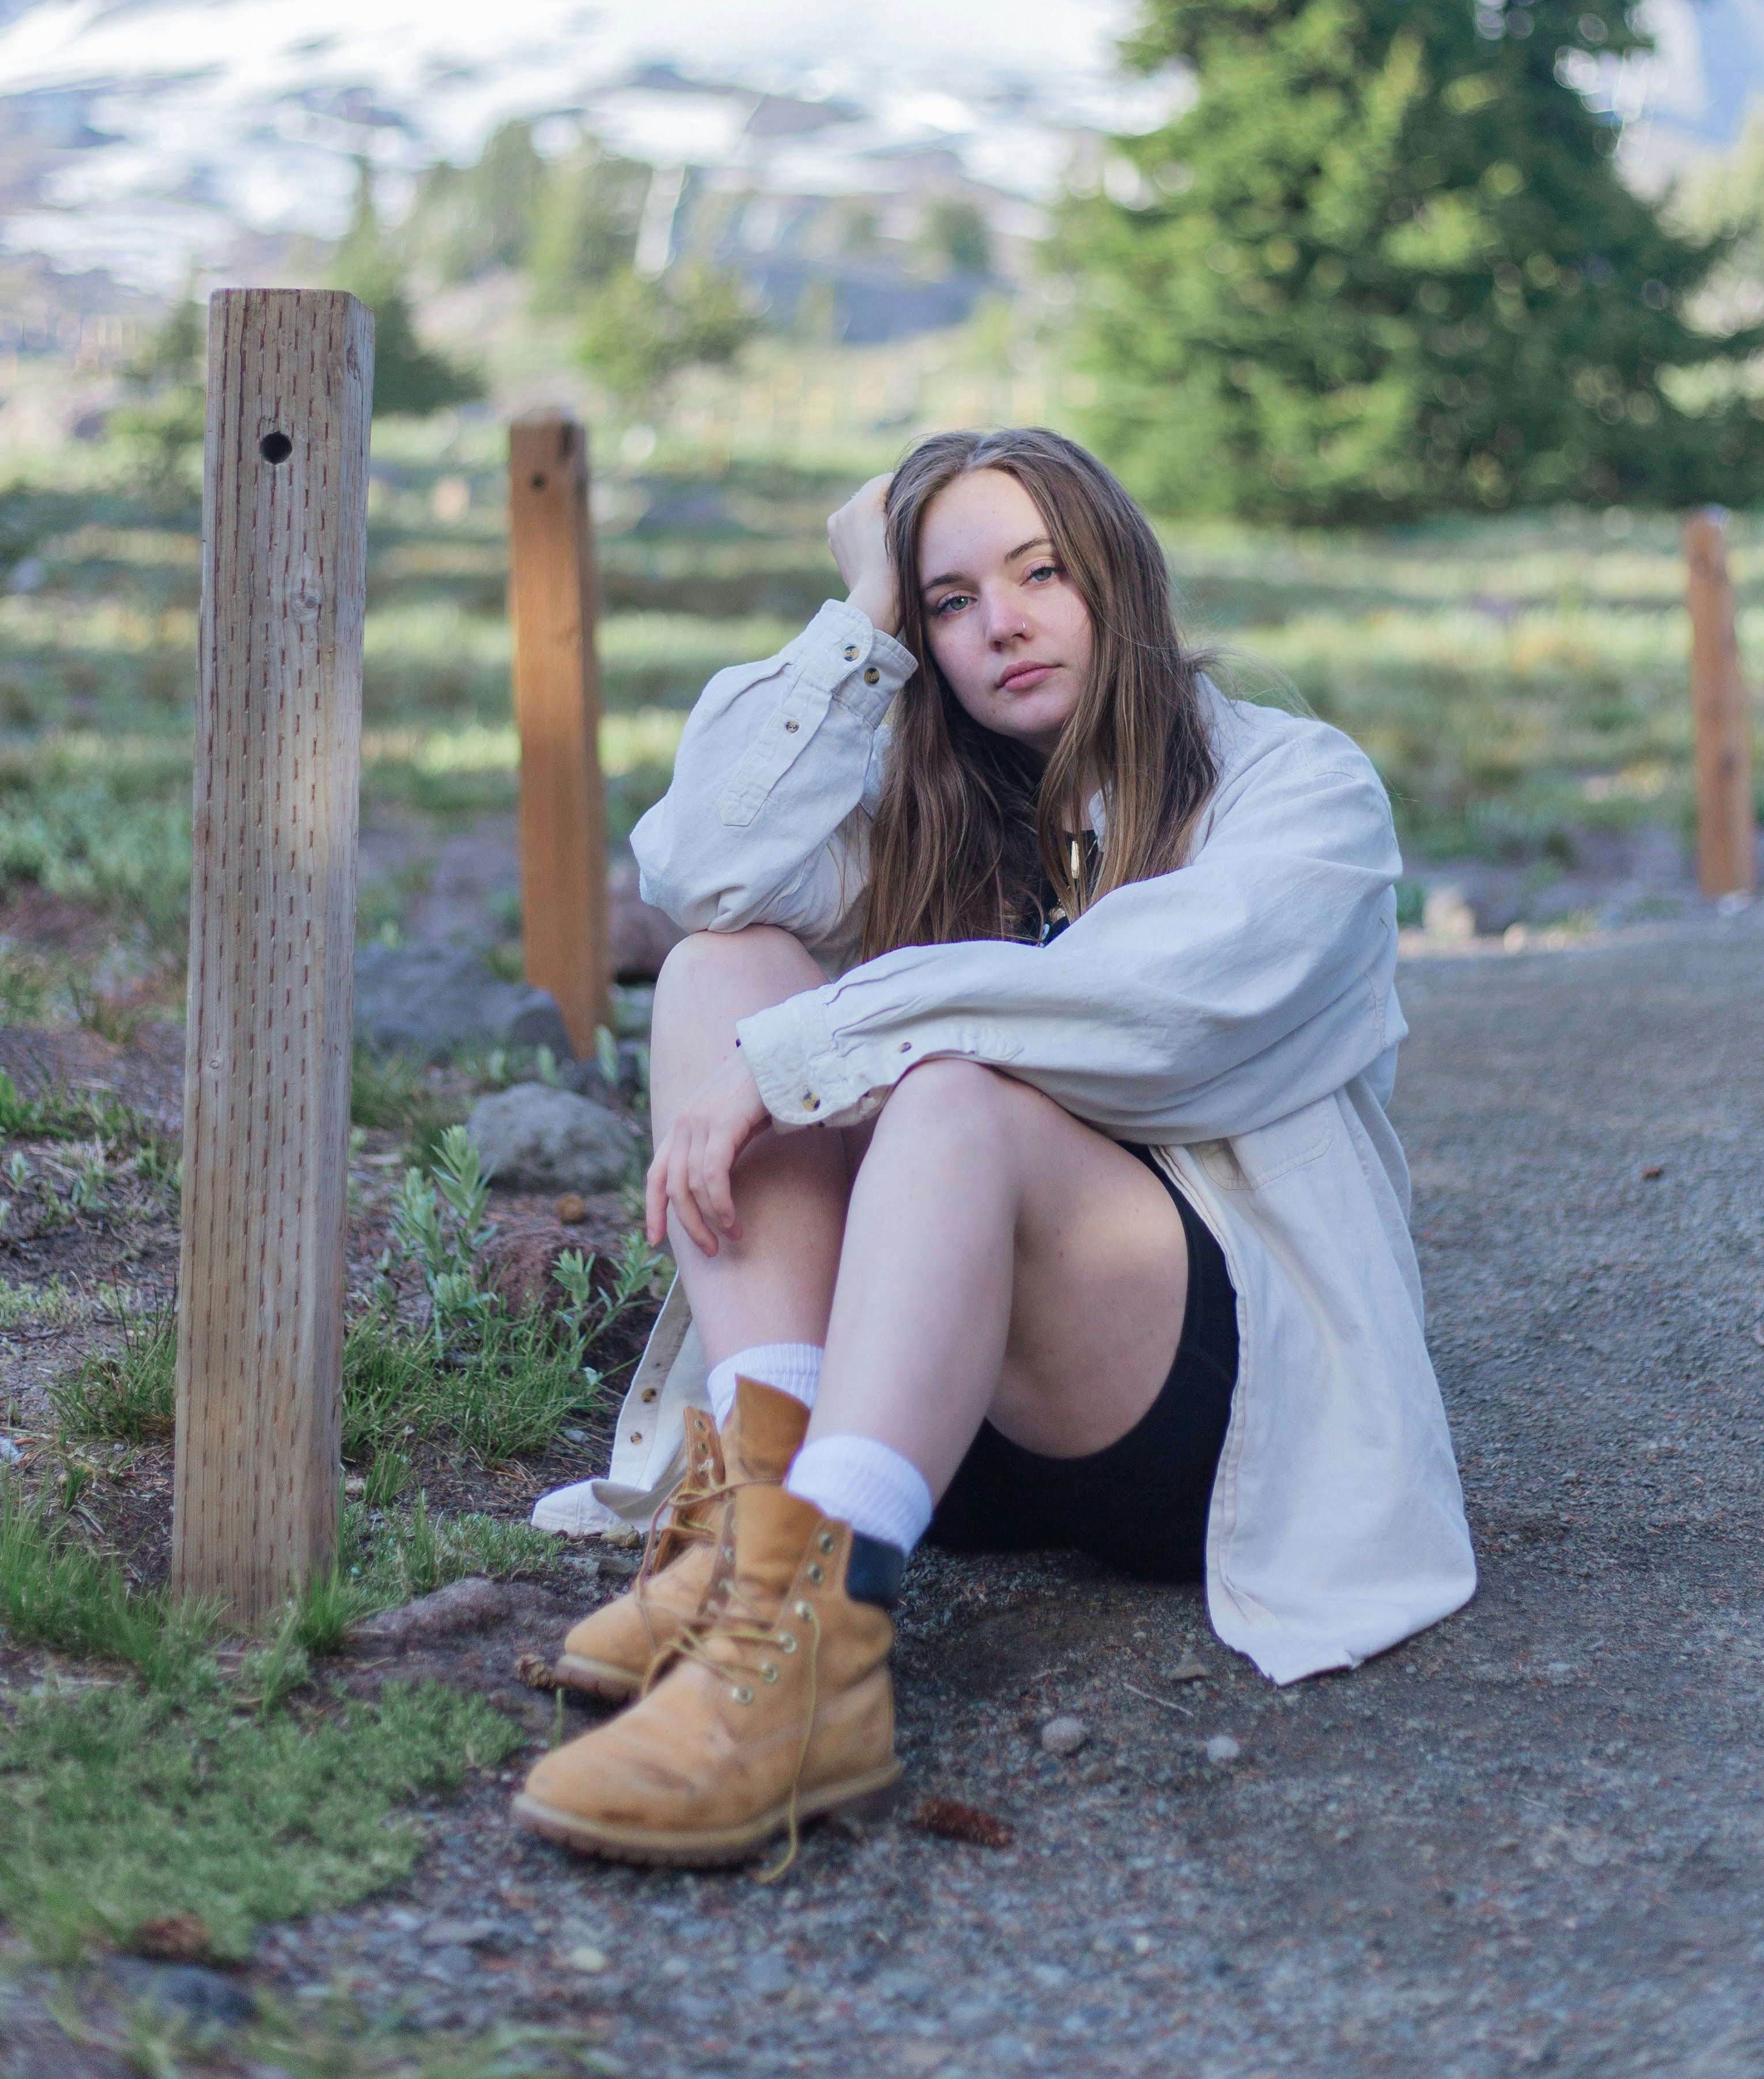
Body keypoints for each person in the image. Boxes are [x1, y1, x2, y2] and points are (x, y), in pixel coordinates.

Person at [517, 428, 1475, 1870]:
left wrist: (813, 1054)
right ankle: (771, 1526)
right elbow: (701, 867)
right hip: (920, 1399)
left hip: (1167, 1398)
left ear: (1121, 582)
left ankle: (803, 1668)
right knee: (729, 959)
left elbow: (1157, 1006)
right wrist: (860, 622)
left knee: (952, 1090)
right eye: (951, 599)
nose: (1001, 624)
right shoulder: (924, 805)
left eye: (1040, 574)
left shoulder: (1296, 788)